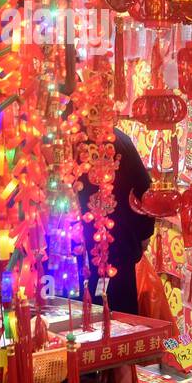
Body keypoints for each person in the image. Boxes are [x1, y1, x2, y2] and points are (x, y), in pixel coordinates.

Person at [77, 128, 155, 316]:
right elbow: (146, 191)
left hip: (81, 254)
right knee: (121, 319)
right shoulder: (120, 139)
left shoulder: (69, 139)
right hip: (119, 248)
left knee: (82, 323)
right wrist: (143, 235)